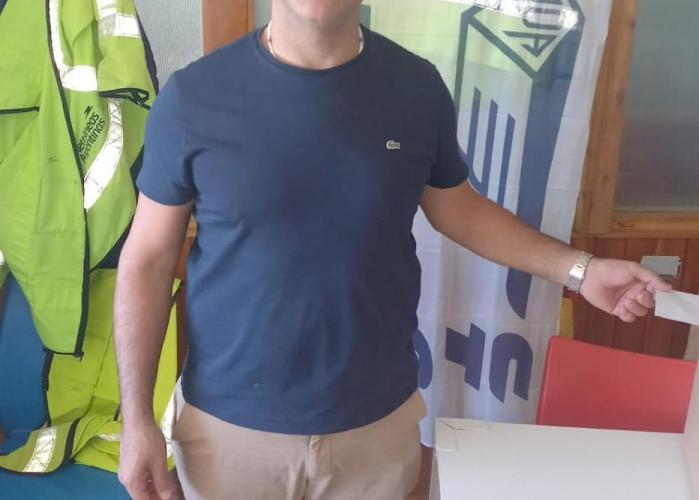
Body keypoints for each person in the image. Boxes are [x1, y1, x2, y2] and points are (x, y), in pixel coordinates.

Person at [113, 1, 670, 499]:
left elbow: (459, 209)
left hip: (375, 429)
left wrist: (581, 270)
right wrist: (135, 420)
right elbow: (147, 261)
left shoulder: (415, 87)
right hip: (229, 434)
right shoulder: (193, 98)